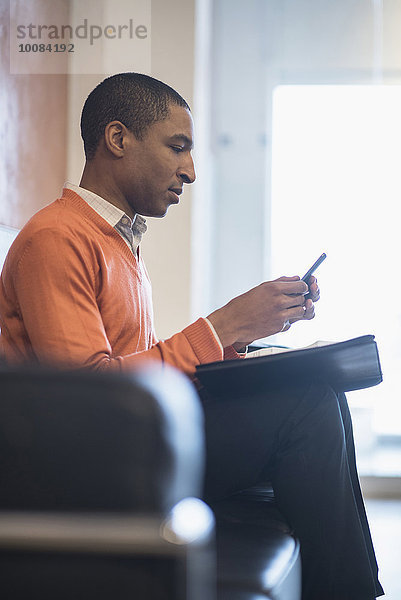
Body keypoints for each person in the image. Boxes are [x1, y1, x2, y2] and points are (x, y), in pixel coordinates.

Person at [0, 73, 383, 600]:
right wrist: (224, 324)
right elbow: (87, 401)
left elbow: (140, 365)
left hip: (128, 448)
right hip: (87, 470)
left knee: (317, 388)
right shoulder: (57, 238)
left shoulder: (117, 242)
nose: (191, 170)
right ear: (118, 140)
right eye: (177, 147)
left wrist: (245, 334)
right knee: (306, 406)